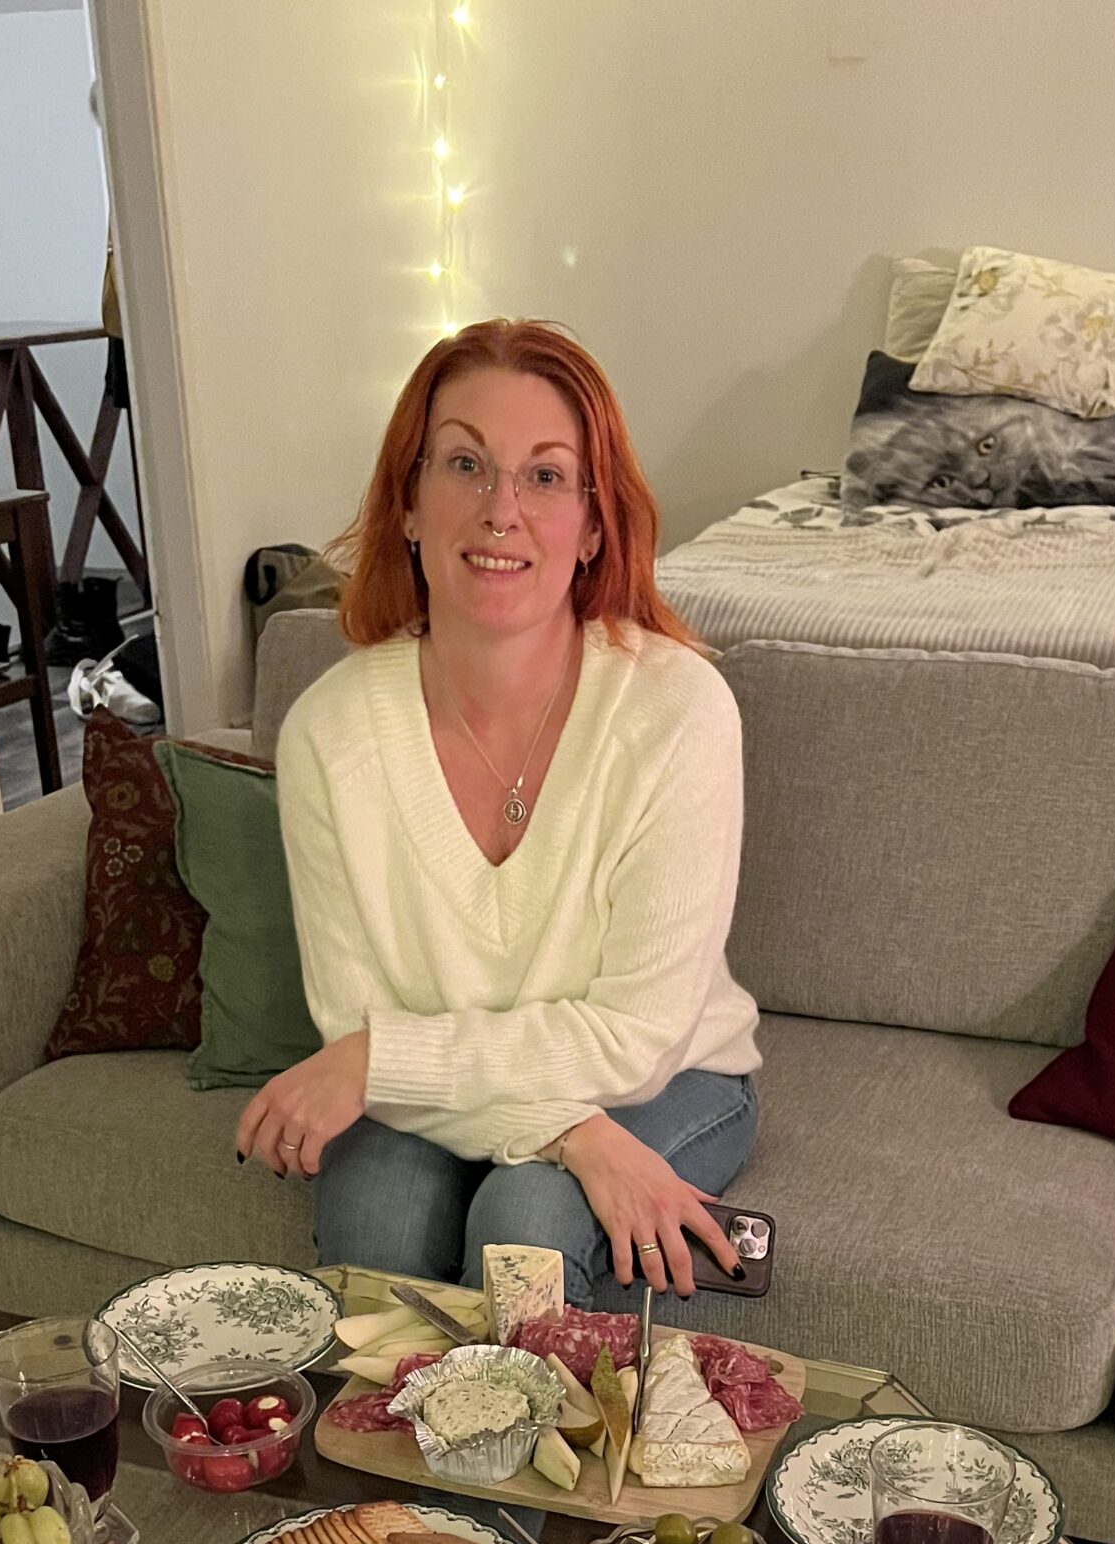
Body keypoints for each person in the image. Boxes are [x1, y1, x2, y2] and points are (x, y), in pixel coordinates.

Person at [235, 317, 761, 1305]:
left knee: (526, 1222)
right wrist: (573, 1135)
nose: (501, 511)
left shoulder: (677, 711)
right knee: (374, 1216)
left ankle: (530, 1413)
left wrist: (383, 1062)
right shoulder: (331, 734)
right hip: (435, 1087)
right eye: (466, 464)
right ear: (408, 503)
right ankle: (381, 1421)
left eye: (547, 476)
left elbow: (635, 1036)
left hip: (666, 1076)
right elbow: (354, 1021)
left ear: (595, 526)